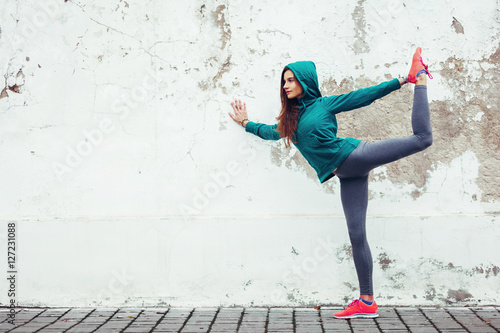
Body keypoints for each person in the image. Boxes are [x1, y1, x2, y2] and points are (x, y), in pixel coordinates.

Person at [228, 47, 433, 319]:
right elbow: (269, 132)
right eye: (284, 81)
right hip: (347, 175)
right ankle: (367, 301)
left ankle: (420, 79)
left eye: (291, 79)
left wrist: (402, 81)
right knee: (357, 235)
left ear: (305, 81)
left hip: (355, 155)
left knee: (422, 139)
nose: (286, 85)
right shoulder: (291, 120)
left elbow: (362, 97)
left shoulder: (324, 105)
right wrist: (245, 123)